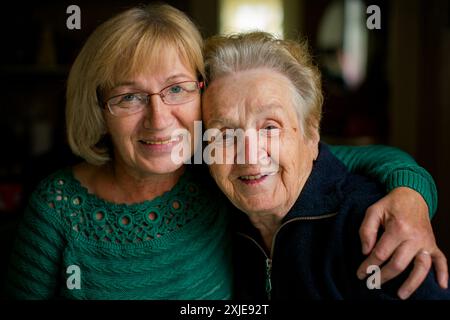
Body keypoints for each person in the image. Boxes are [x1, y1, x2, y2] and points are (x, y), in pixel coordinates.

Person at [3, 4, 446, 300]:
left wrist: (412, 195)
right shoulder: (58, 209)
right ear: (99, 109)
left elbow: (352, 159)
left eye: (176, 89)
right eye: (128, 97)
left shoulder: (218, 170)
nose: (158, 120)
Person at [202, 31, 450, 299]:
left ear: (311, 133)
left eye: (270, 127)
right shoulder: (209, 215)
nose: (249, 156)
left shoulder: (374, 227)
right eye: (225, 135)